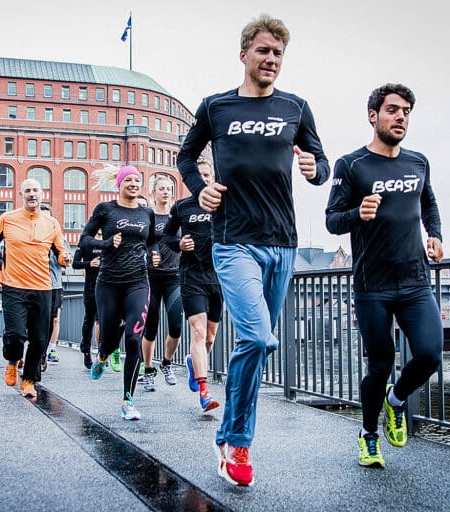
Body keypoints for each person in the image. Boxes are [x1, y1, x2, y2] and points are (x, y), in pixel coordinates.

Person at [177, 14, 329, 486]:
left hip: (282, 243)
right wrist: (200, 187)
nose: (271, 60)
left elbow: (322, 165)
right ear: (244, 54)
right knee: (260, 338)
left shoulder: (296, 108)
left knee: (250, 342)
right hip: (233, 241)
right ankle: (240, 443)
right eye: (263, 50)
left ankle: (227, 435)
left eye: (278, 53)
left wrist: (312, 168)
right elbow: (186, 155)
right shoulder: (215, 107)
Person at [325, 83, 443, 469]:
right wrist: (358, 212)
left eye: (406, 111)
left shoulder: (418, 162)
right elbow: (332, 221)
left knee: (428, 354)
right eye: (393, 110)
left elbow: (428, 203)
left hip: (414, 280)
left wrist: (436, 236)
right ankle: (369, 435)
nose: (401, 117)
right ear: (373, 115)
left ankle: (397, 401)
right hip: (372, 285)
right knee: (380, 364)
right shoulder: (352, 165)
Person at [79, 164, 159, 421]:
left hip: (138, 282)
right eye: (129, 181)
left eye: (137, 180)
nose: (133, 184)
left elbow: (152, 240)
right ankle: (102, 354)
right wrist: (106, 244)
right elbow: (84, 240)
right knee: (110, 337)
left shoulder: (147, 212)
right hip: (109, 283)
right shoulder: (105, 210)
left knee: (134, 338)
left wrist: (154, 253)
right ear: (120, 185)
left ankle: (128, 399)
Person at [0, 179, 72, 399]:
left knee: (40, 339)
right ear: (21, 194)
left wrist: (65, 258)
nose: (32, 194)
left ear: (42, 194)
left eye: (35, 190)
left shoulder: (51, 223)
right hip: (14, 286)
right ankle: (12, 361)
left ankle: (30, 380)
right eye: (28, 191)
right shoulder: (8, 219)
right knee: (15, 334)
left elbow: (61, 250)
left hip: (43, 287)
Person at [163, 159, 222, 412]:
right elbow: (167, 236)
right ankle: (204, 391)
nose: (204, 179)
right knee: (198, 332)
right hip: (191, 276)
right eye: (199, 176)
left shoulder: (224, 202)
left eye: (208, 175)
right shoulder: (182, 207)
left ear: (213, 176)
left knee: (209, 337)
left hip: (219, 278)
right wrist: (179, 245)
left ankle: (192, 362)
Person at [141, 174, 183, 391]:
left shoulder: (177, 216)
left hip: (174, 277)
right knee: (151, 327)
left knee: (176, 325)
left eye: (169, 189)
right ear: (154, 193)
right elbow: (140, 244)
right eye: (162, 189)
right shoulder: (148, 217)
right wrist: (148, 254)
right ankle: (148, 370)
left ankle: (166, 363)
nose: (166, 192)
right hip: (151, 278)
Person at [39, 204, 72, 369]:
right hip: (35, 284)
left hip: (54, 285)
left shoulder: (59, 238)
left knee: (55, 319)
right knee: (38, 320)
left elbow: (67, 256)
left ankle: (49, 350)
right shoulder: (33, 237)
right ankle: (38, 349)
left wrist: (65, 261)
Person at [71, 240, 101, 369]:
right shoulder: (85, 242)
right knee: (89, 320)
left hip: (107, 288)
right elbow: (75, 264)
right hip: (90, 288)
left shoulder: (109, 240)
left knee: (104, 322)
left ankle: (102, 353)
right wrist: (90, 263)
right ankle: (86, 350)